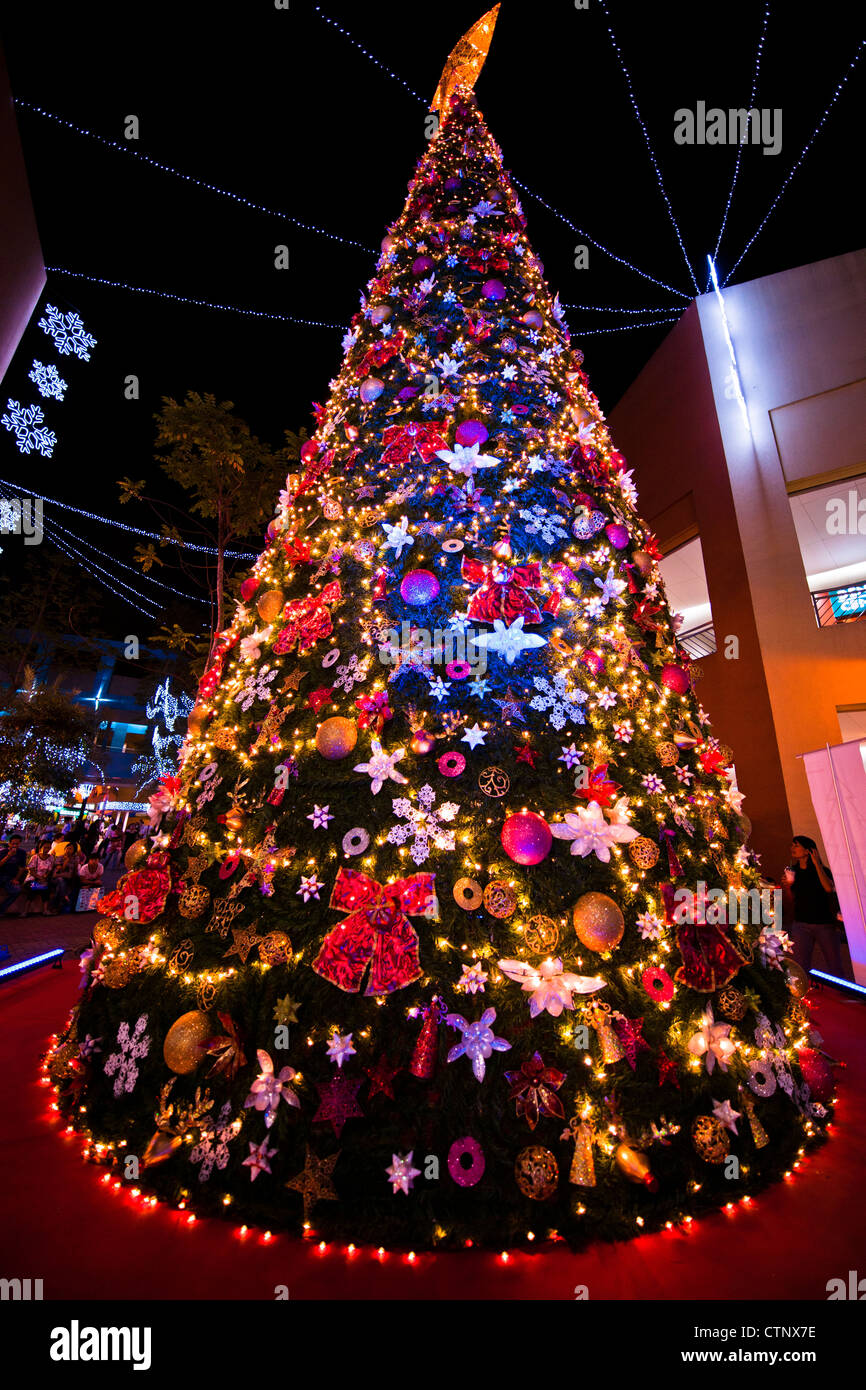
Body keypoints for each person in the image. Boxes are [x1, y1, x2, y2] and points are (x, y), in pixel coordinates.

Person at [783, 835, 845, 976]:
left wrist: (817, 864)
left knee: (834, 964)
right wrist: (787, 886)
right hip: (801, 924)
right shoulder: (792, 871)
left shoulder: (823, 871)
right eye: (792, 845)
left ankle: (840, 994)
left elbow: (829, 888)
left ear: (808, 851)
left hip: (824, 924)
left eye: (796, 845)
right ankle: (803, 994)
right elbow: (790, 900)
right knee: (800, 965)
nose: (792, 848)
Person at [11, 843, 57, 916]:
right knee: (33, 888)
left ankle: (45, 910)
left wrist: (44, 878)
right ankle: (25, 911)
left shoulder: (51, 857)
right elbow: (31, 871)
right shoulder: (35, 857)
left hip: (43, 879)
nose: (46, 849)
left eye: (48, 848)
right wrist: (39, 878)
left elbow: (49, 870)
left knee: (47, 888)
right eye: (45, 847)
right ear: (40, 847)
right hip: (32, 879)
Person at [0, 834, 27, 915]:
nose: (15, 845)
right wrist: (8, 856)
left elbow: (22, 868)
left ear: (19, 844)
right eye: (13, 843)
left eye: (17, 844)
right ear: (9, 843)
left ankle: (1, 909)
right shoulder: (3, 852)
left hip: (11, 878)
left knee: (17, 890)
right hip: (1, 876)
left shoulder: (22, 853)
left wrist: (16, 879)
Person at [51, 842, 81, 914]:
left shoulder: (75, 858)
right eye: (67, 848)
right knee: (61, 881)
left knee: (60, 887)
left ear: (74, 851)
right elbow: (61, 870)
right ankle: (64, 898)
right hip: (57, 878)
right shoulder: (59, 857)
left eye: (70, 849)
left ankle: (57, 906)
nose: (68, 850)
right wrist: (66, 861)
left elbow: (75, 870)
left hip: (69, 878)